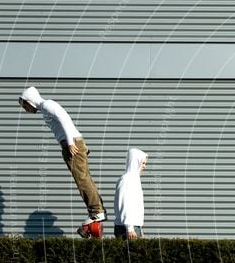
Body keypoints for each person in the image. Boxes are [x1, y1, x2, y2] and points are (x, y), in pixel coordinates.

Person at [19, 86, 106, 238]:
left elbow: (64, 119)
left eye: (25, 105)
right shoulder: (46, 107)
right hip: (71, 143)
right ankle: (96, 210)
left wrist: (71, 142)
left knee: (82, 179)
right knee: (84, 178)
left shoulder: (47, 105)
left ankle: (96, 212)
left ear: (29, 100)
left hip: (71, 144)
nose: (25, 109)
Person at [114, 148, 148, 239]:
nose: (145, 167)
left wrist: (139, 228)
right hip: (127, 229)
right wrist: (129, 228)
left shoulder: (134, 180)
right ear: (135, 161)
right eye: (143, 163)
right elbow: (124, 204)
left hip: (133, 227)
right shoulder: (126, 180)